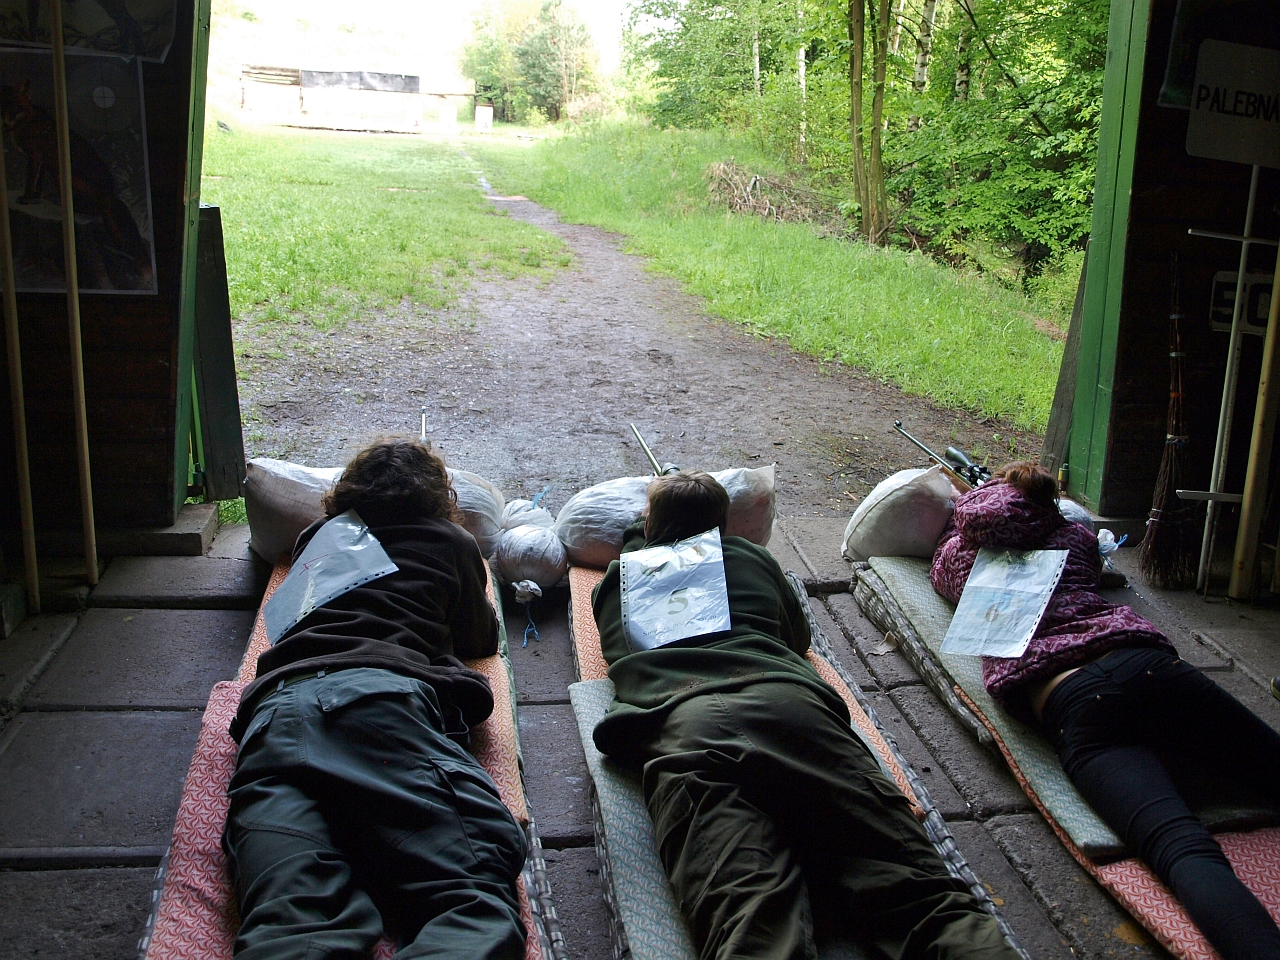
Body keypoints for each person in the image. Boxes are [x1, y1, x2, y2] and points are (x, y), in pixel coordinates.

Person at [591, 471, 1020, 960]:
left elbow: (617, 644)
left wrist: (644, 539)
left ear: (648, 525)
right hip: (793, 709)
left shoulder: (618, 581)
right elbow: (797, 636)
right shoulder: (751, 556)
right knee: (921, 895)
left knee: (749, 919)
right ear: (722, 526)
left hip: (687, 726)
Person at [931, 462, 1280, 960]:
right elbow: (1085, 556)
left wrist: (964, 508)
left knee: (1180, 848)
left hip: (1073, 699)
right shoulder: (1074, 536)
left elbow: (941, 574)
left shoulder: (960, 553)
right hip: (1147, 664)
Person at [223, 439, 528, 960]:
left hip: (275, 717)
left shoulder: (318, 535)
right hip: (379, 700)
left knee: (290, 916)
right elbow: (480, 640)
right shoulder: (451, 539)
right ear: (437, 497)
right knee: (471, 895)